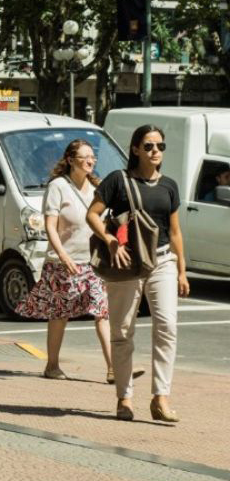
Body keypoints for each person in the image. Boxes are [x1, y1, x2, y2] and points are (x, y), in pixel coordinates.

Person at [86, 124, 188, 423]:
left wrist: (182, 270)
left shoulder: (169, 185)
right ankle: (125, 398)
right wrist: (111, 240)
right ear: (135, 149)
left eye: (160, 146)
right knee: (122, 331)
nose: (155, 151)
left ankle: (161, 397)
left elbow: (176, 231)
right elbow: (92, 214)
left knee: (167, 326)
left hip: (162, 261)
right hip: (127, 261)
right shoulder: (119, 180)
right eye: (148, 146)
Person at [15, 140, 113, 380]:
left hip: (92, 263)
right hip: (63, 263)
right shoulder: (58, 186)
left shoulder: (95, 187)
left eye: (93, 157)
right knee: (60, 314)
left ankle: (113, 368)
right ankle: (52, 365)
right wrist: (62, 255)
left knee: (102, 312)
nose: (90, 161)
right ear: (70, 160)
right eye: (84, 157)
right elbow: (50, 225)